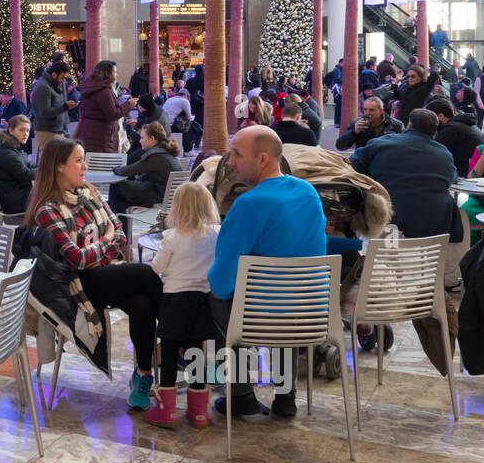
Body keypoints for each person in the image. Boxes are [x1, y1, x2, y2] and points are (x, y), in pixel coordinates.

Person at [26, 137, 163, 411]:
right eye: (78, 160)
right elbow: (77, 259)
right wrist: (106, 241)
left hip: (106, 272)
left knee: (141, 303)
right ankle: (177, 342)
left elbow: (121, 232)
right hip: (78, 284)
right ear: (59, 167)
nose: (84, 166)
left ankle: (143, 375)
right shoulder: (47, 210)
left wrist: (100, 245)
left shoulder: (89, 194)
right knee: (146, 274)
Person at [207, 126, 327, 418]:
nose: (230, 162)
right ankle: (286, 396)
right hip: (311, 314)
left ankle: (241, 393)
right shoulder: (308, 192)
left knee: (214, 295)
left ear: (262, 159)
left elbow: (222, 283)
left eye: (237, 154)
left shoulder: (248, 205)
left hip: (262, 320)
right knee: (284, 297)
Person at [144, 182, 221, 428]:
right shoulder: (217, 233)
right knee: (196, 353)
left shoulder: (171, 237)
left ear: (176, 208)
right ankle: (198, 411)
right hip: (203, 302)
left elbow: (156, 268)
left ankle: (165, 411)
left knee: (168, 354)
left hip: (174, 301)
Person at [350, 109, 457, 239]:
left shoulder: (381, 143)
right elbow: (451, 178)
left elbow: (353, 166)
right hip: (431, 231)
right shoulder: (444, 154)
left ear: (409, 125)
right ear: (435, 130)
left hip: (386, 222)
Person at [107, 121, 183, 214]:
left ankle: (116, 223)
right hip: (168, 196)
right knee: (122, 195)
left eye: (142, 137)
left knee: (116, 186)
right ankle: (121, 222)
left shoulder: (155, 155)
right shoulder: (165, 151)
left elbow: (127, 171)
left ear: (152, 139)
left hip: (158, 196)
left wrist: (115, 168)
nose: (140, 141)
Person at [77, 60, 135, 154]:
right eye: (115, 72)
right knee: (102, 165)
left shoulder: (95, 88)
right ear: (107, 74)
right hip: (102, 136)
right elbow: (112, 114)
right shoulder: (103, 92)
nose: (117, 75)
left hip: (93, 133)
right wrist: (129, 104)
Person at [0, 115, 37, 215]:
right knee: (53, 197)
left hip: (21, 196)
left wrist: (48, 167)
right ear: (11, 130)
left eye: (28, 130)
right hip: (13, 202)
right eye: (22, 130)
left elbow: (30, 167)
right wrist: (48, 170)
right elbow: (25, 174)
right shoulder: (7, 152)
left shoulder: (16, 149)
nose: (26, 134)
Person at [426, 96, 483, 177]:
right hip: (472, 169)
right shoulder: (462, 122)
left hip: (464, 173)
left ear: (440, 116)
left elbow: (434, 154)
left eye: (431, 118)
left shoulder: (451, 129)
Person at [30, 61, 76, 152]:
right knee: (48, 161)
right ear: (54, 75)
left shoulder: (57, 83)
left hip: (58, 129)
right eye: (62, 78)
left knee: (56, 160)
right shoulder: (43, 87)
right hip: (47, 130)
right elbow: (45, 112)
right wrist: (65, 107)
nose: (63, 81)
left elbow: (60, 102)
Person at [336, 96, 404, 150]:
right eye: (365, 109)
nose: (367, 113)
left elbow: (403, 146)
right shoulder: (357, 123)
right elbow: (340, 146)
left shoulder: (395, 124)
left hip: (385, 161)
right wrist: (354, 132)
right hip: (364, 162)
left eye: (371, 110)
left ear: (381, 111)